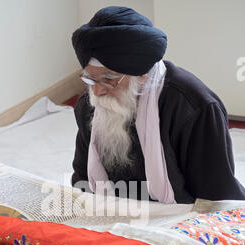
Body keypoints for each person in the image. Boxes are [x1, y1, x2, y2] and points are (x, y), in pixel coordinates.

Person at [70, 6, 245, 204]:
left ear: (142, 74)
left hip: (179, 215)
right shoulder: (91, 103)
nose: (97, 91)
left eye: (109, 79)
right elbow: (82, 178)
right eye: (90, 79)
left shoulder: (195, 108)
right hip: (115, 213)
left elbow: (215, 197)